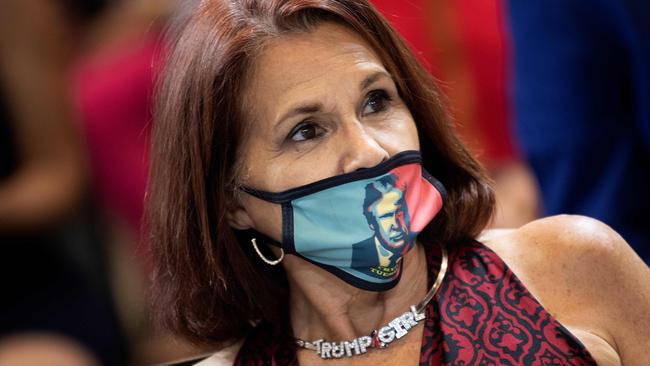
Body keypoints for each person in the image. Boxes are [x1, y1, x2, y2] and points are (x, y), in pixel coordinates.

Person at [148, 1, 650, 365]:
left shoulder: (578, 264)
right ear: (232, 201)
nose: (370, 150)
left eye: (376, 101)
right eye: (306, 131)